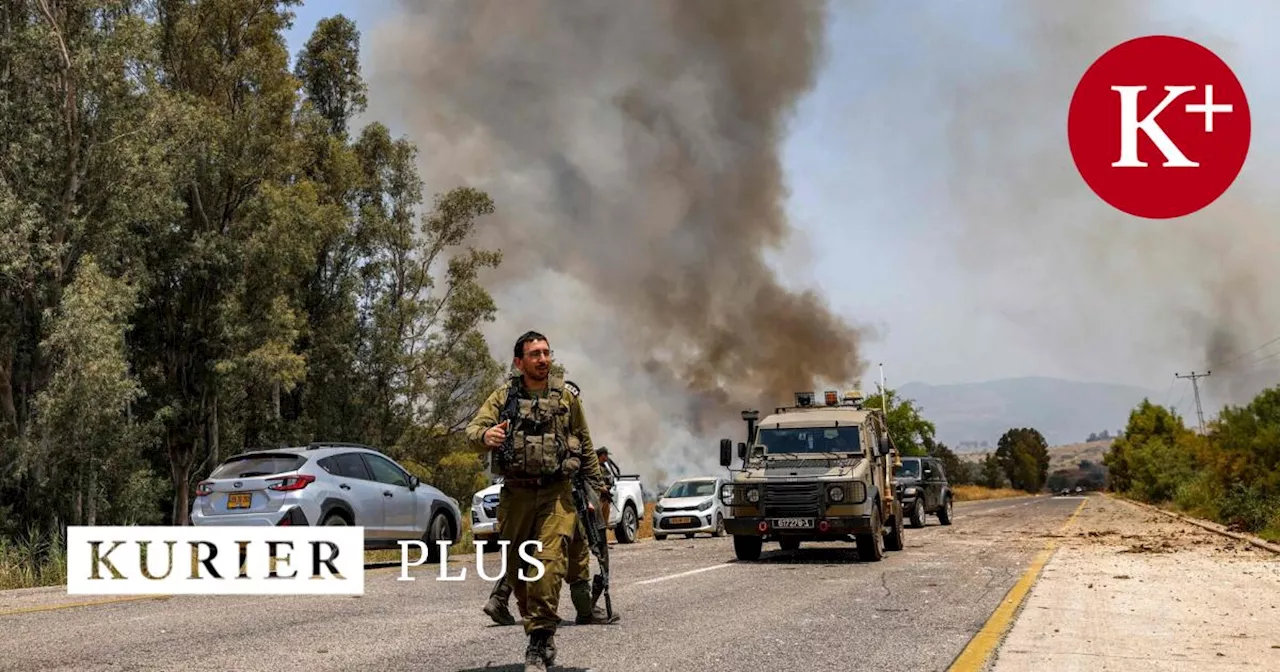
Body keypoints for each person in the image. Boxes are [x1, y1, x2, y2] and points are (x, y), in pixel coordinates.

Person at [466, 330, 610, 671]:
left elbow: (586, 445)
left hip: (556, 494)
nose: (542, 359)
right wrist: (486, 435)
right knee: (519, 573)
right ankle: (538, 632)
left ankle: (539, 640)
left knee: (547, 566)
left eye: (546, 352)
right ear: (519, 361)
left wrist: (597, 488)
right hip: (515, 495)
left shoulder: (566, 399)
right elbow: (472, 432)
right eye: (534, 354)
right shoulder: (503, 396)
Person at [484, 435, 620, 628]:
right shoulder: (566, 436)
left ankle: (498, 599)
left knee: (527, 553)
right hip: (562, 502)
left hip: (532, 502)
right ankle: (585, 611)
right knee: (576, 552)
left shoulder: (533, 440)